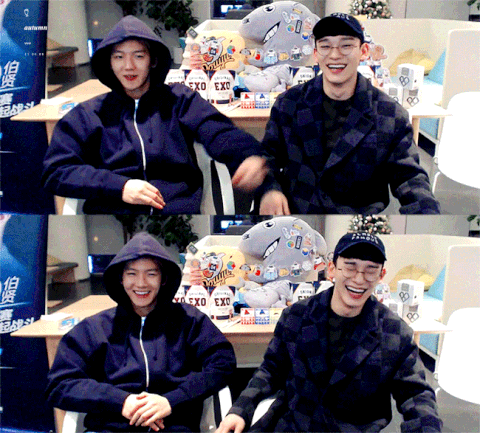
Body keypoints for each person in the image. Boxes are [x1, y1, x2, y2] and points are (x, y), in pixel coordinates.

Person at [216, 232, 443, 432]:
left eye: (370, 270)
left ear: (381, 276)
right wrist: (240, 409)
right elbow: (271, 370)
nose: (359, 279)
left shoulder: (395, 332)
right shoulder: (297, 316)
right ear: (332, 269)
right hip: (293, 424)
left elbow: (417, 395)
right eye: (350, 267)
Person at [42, 15, 268, 214]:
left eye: (139, 56)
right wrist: (119, 186)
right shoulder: (89, 114)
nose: (128, 66)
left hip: (175, 208)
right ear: (108, 63)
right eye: (118, 57)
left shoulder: (180, 100)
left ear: (153, 60)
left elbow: (219, 132)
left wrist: (248, 155)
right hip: (113, 210)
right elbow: (55, 171)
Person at [46, 232, 236, 432]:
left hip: (173, 425)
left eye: (151, 274)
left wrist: (172, 400)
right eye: (132, 274)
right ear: (120, 278)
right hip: (110, 427)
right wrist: (122, 401)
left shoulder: (189, 320)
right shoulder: (95, 328)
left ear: (163, 279)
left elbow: (223, 363)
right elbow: (59, 384)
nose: (141, 283)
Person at [257, 13, 441, 215]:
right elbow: (267, 158)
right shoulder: (289, 104)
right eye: (325, 46)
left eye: (346, 45)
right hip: (300, 215)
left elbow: (410, 178)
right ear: (316, 54)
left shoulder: (390, 114)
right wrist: (270, 189)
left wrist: (426, 214)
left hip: (358, 219)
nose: (335, 55)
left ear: (363, 51)